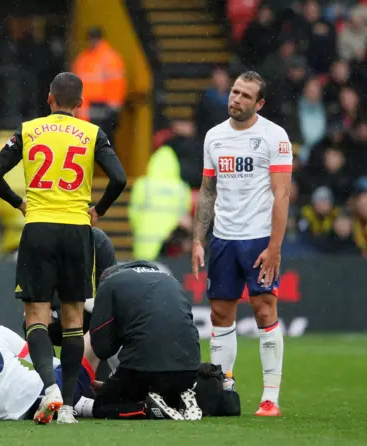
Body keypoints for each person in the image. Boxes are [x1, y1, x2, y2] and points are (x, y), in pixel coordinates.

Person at [0, 72, 127, 424]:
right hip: (77, 230)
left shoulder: (29, 130)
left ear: (49, 98)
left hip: (39, 228)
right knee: (75, 321)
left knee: (37, 317)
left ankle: (50, 388)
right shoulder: (94, 134)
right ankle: (66, 408)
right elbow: (120, 178)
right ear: (80, 104)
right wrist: (99, 210)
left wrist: (19, 203)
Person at [191, 71, 292, 417]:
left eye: (246, 96)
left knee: (265, 311)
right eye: (235, 92)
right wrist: (198, 240)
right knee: (220, 314)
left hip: (259, 239)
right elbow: (207, 192)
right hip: (222, 240)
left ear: (259, 103)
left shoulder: (273, 137)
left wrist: (275, 247)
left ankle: (270, 397)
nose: (236, 99)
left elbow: (282, 194)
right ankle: (223, 386)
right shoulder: (214, 137)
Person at [0, 301, 99, 421]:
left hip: (17, 415)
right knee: (97, 331)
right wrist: (68, 372)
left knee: (80, 403)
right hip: (40, 390)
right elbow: (38, 358)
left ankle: (88, 405)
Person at [88, 261, 202, 421]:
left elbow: (102, 348)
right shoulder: (171, 280)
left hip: (144, 370)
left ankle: (148, 408)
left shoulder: (110, 282)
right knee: (161, 381)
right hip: (189, 370)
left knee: (103, 406)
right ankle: (178, 399)